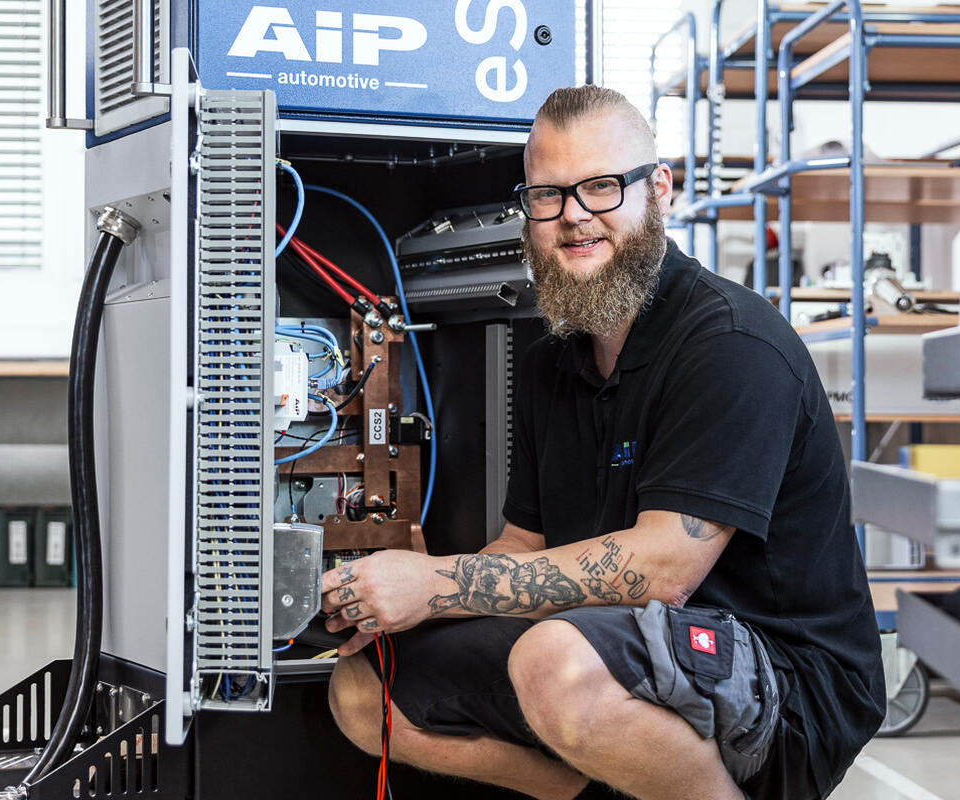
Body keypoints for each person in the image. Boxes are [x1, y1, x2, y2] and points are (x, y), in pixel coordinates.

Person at [320, 85, 883, 800]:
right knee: (364, 688)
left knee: (556, 663)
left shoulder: (732, 346)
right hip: (616, 649)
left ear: (660, 190)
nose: (574, 217)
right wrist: (390, 598)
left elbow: (665, 571)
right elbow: (522, 549)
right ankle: (589, 786)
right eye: (549, 196)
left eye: (602, 187)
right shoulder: (556, 359)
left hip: (790, 681)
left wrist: (434, 584)